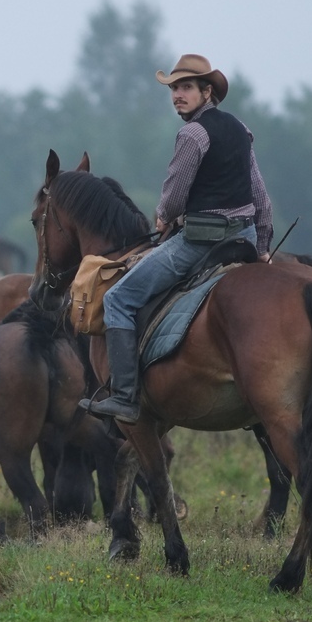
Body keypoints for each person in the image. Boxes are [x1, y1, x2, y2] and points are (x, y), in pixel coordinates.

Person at [80, 54, 274, 423]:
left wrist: (163, 216)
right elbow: (260, 197)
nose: (177, 96)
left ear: (207, 92)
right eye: (173, 89)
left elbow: (174, 193)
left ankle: (123, 397)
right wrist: (262, 248)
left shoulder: (192, 134)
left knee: (119, 299)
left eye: (185, 88)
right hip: (244, 240)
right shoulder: (241, 129)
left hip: (201, 242)